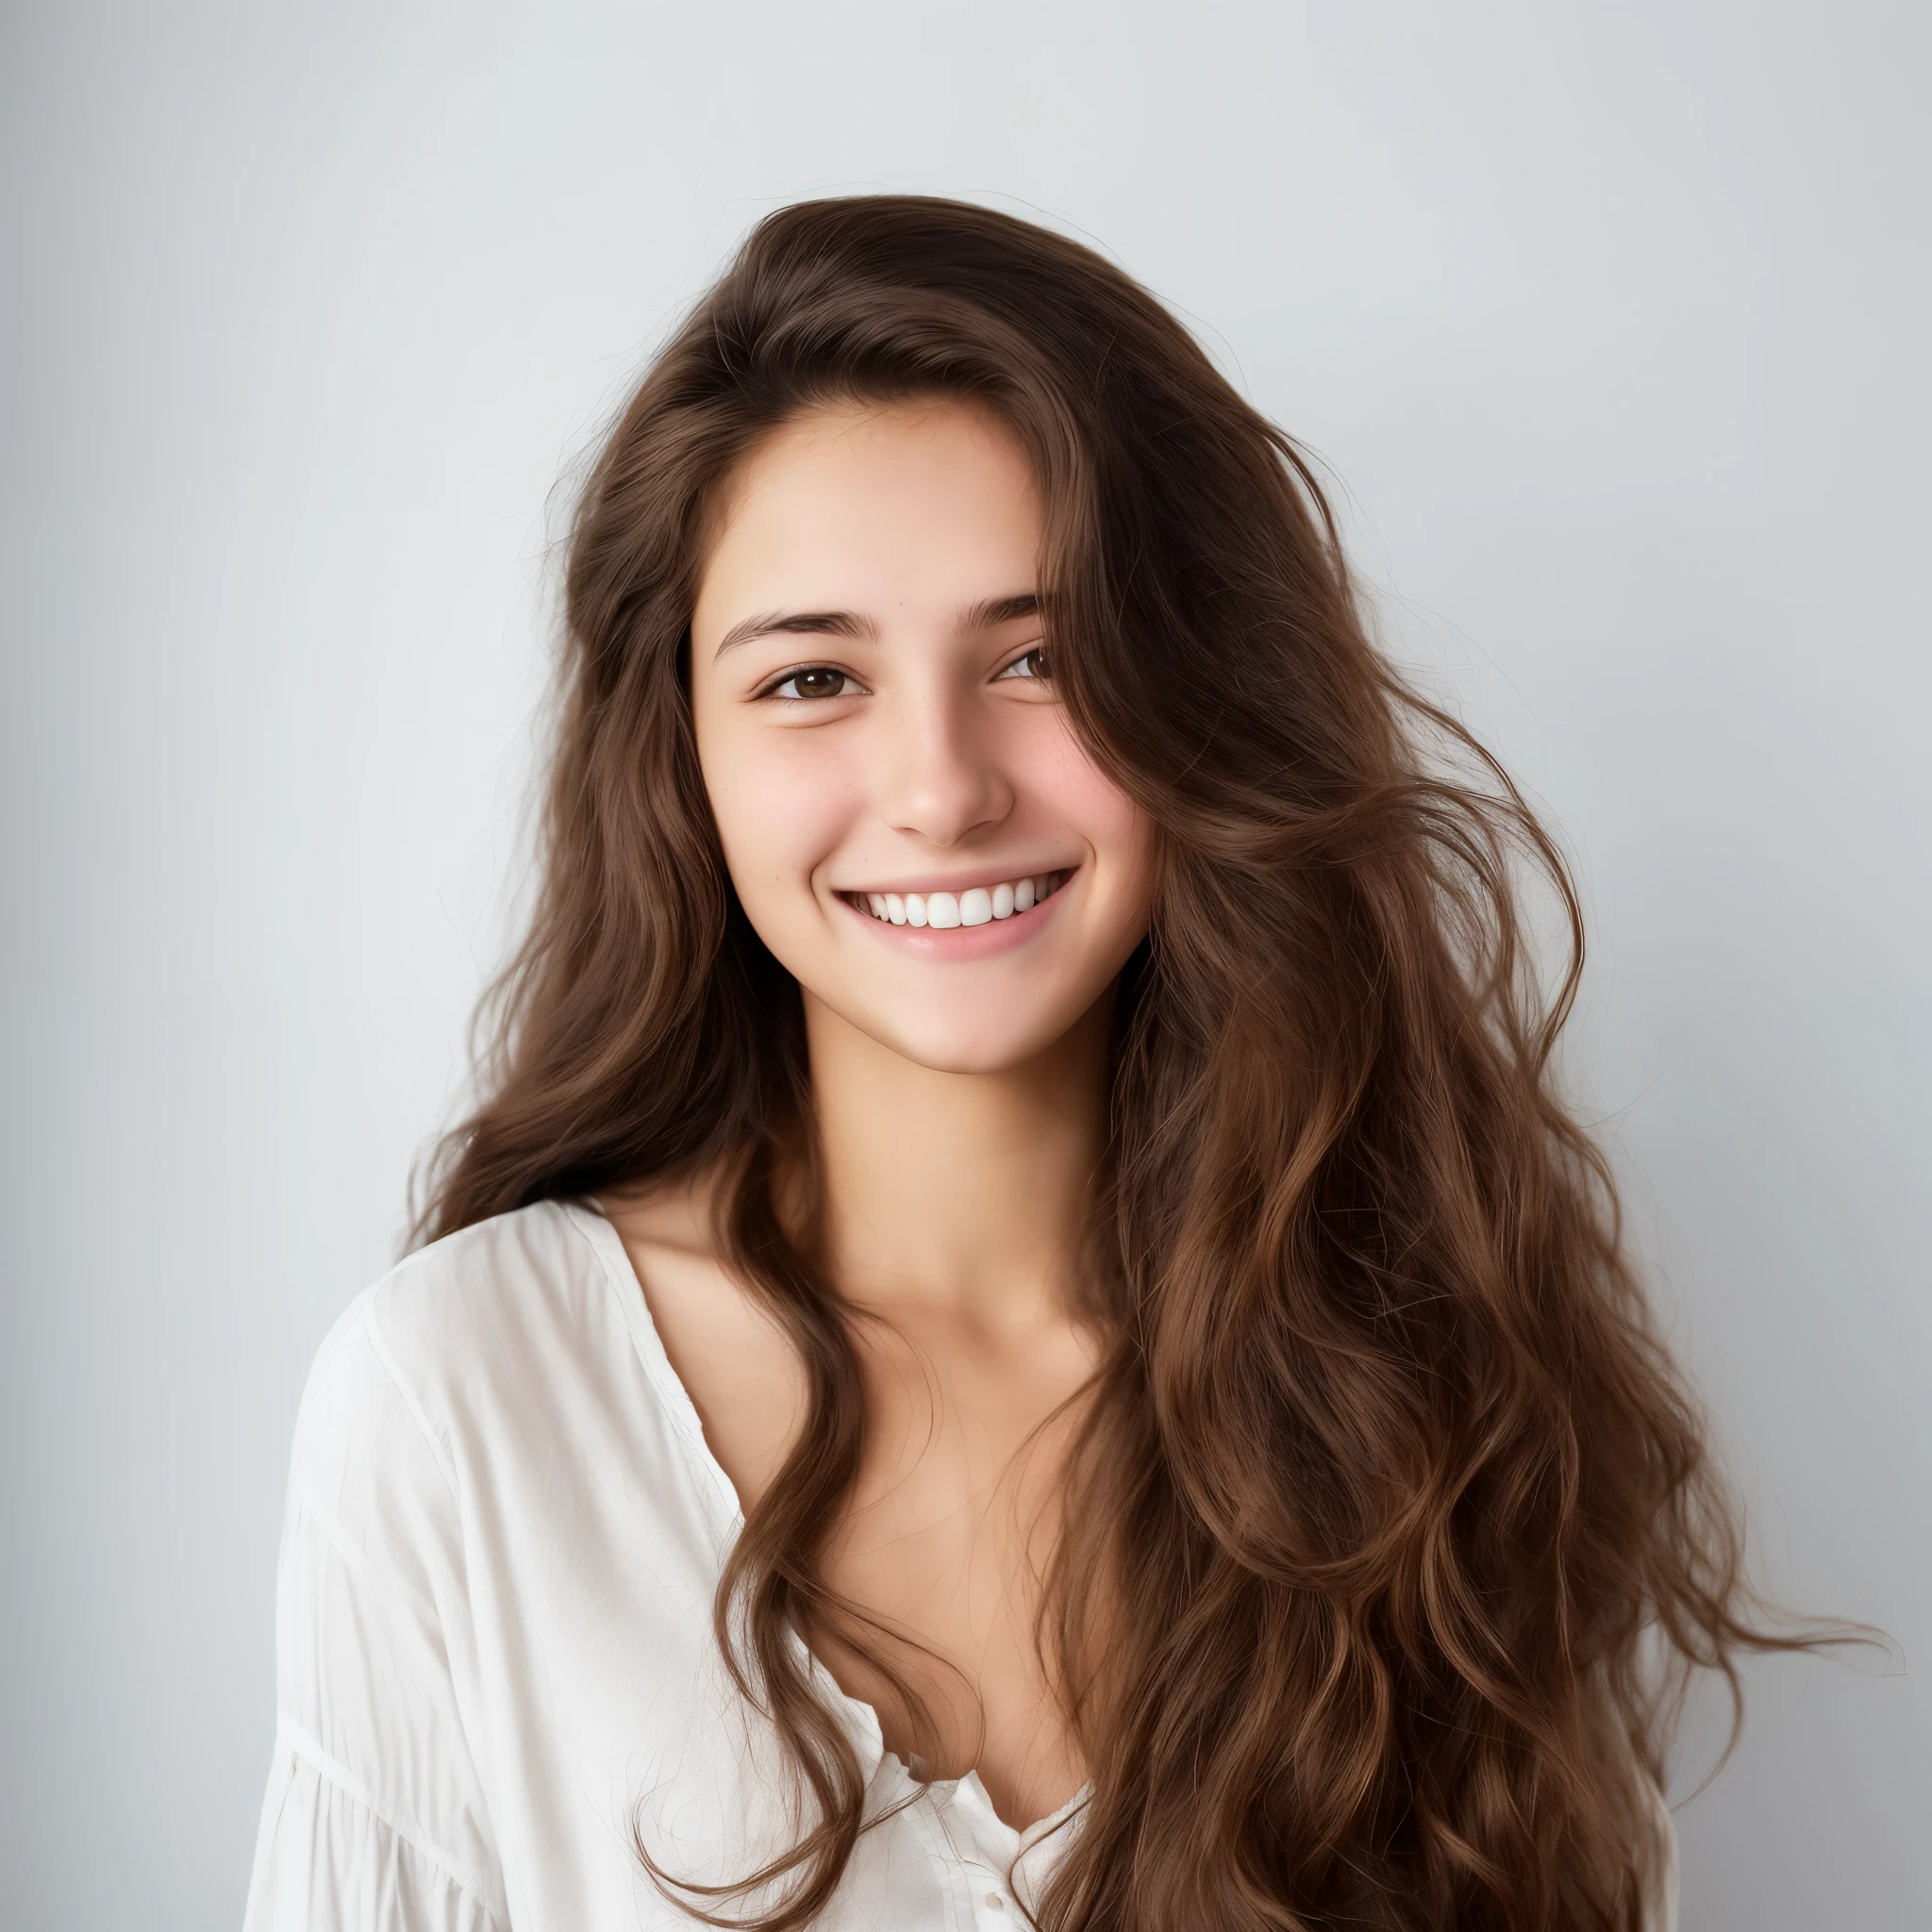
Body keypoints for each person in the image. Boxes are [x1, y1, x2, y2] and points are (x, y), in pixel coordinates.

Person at [243, 195, 1779, 1931]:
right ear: (678, 760)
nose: (943, 784)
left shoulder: (1431, 1376)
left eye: (1040, 656)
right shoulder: (463, 1401)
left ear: (1205, 690)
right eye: (813, 678)